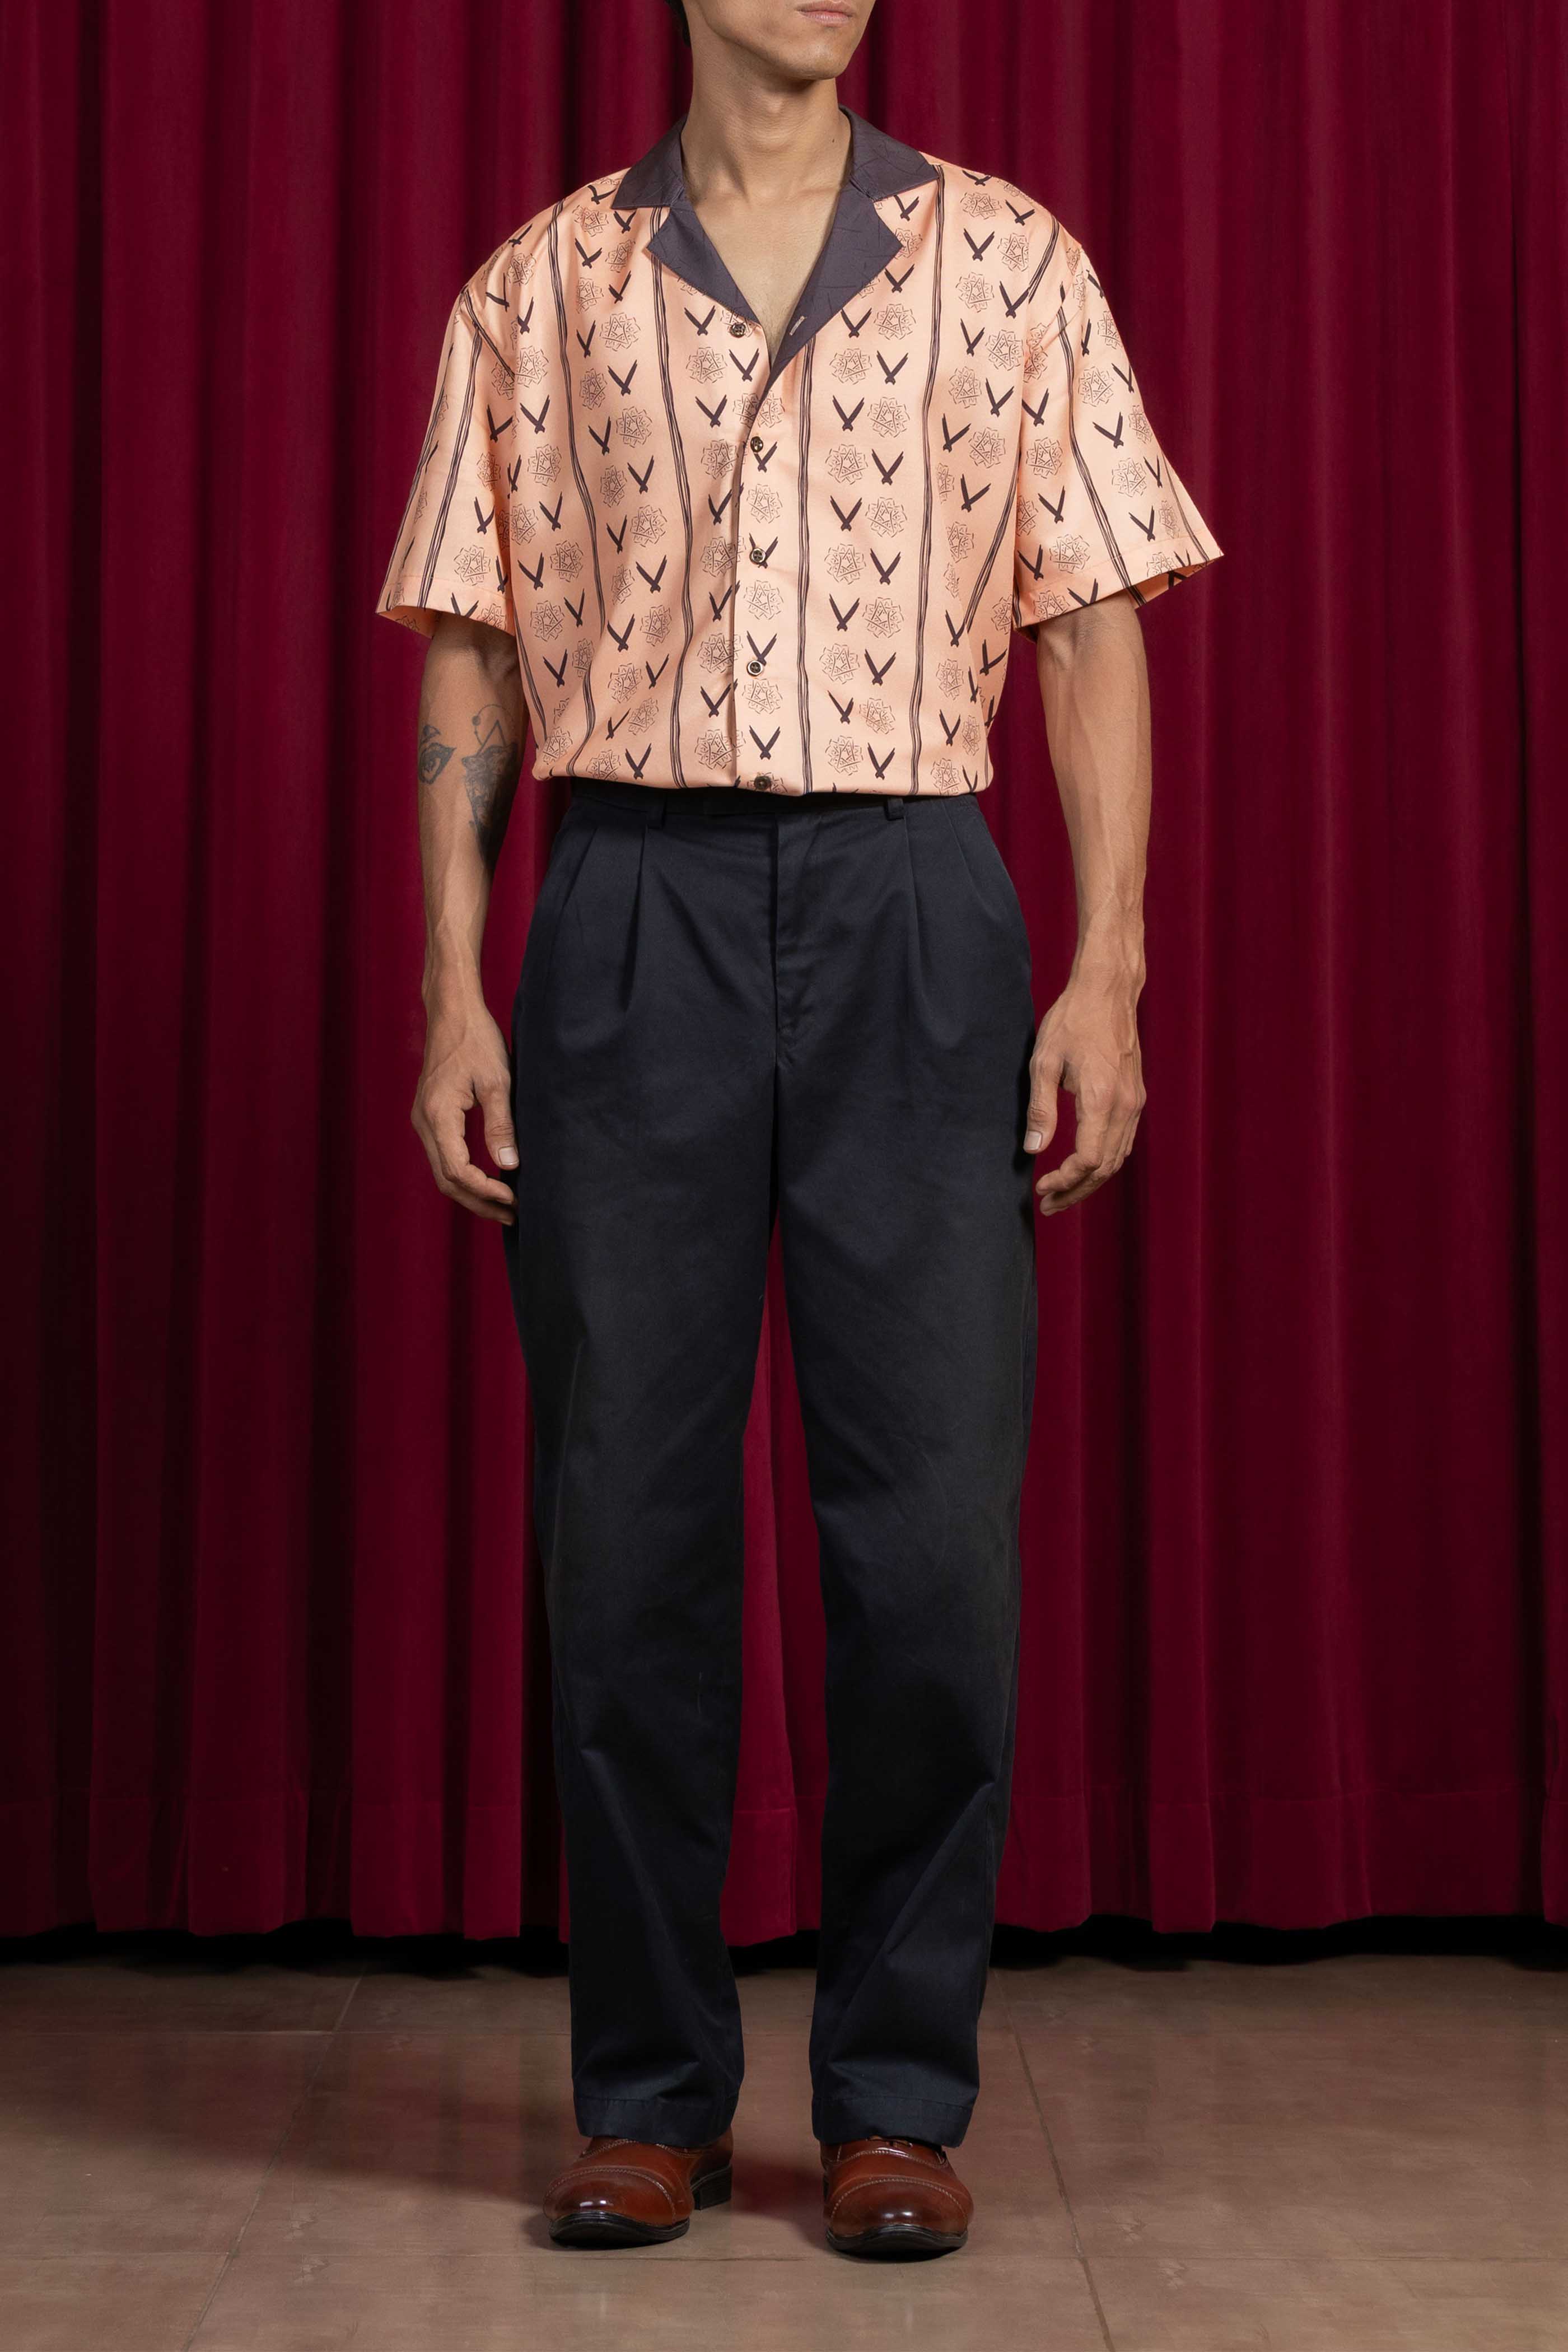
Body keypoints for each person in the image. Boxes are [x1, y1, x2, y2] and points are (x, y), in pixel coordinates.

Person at [375, 0, 1220, 2261]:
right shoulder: (542, 282)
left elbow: (1093, 629)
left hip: (912, 901)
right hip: (628, 902)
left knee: (930, 1538)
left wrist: (1109, 967)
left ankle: (895, 2103)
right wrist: (455, 982)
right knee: (627, 1538)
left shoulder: (1012, 263)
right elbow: (472, 646)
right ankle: (648, 2099)